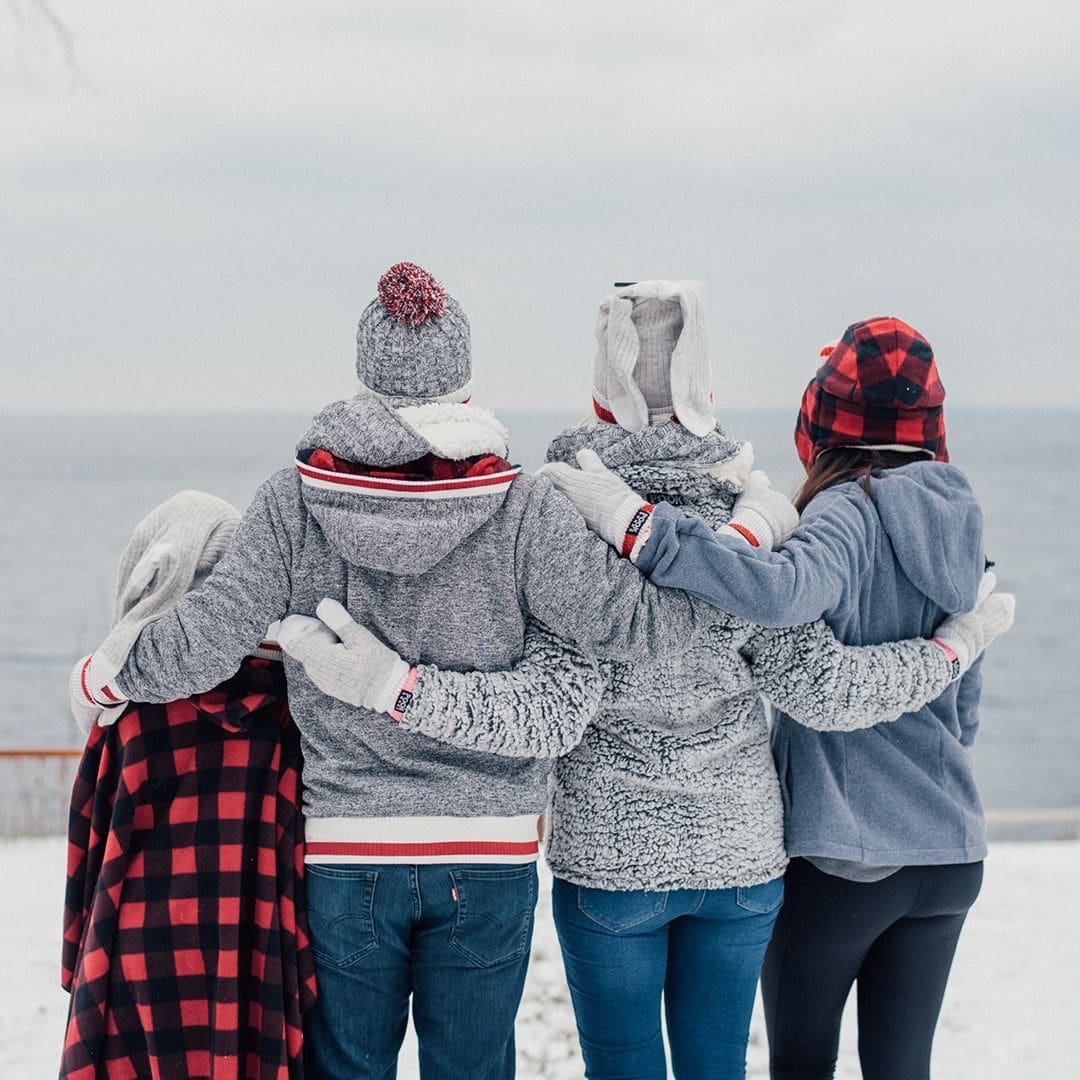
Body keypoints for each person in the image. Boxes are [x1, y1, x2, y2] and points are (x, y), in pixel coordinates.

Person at [277, 287, 1013, 1080]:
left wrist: (383, 680)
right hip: (740, 854)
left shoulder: (560, 511)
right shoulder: (755, 516)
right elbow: (815, 684)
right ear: (707, 394)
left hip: (610, 858)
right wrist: (950, 648)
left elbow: (556, 696)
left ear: (603, 394)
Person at [72, 264, 722, 1080]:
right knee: (473, 1067)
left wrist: (111, 676)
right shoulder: (524, 509)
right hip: (489, 850)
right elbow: (638, 626)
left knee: (348, 1069)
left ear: (365, 379)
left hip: (348, 845)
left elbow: (207, 637)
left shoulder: (291, 502)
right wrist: (739, 558)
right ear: (465, 385)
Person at [541, 315, 1012, 1080]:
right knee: (902, 1067)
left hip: (844, 856)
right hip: (950, 848)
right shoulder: (962, 520)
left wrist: (642, 528)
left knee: (798, 1063)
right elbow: (962, 717)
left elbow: (781, 594)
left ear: (822, 419)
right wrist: (952, 650)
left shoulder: (846, 513)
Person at [63, 491, 315, 1080]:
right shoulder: (287, 711)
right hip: (254, 945)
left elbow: (88, 841)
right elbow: (303, 844)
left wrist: (79, 953)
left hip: (135, 948)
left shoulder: (126, 714)